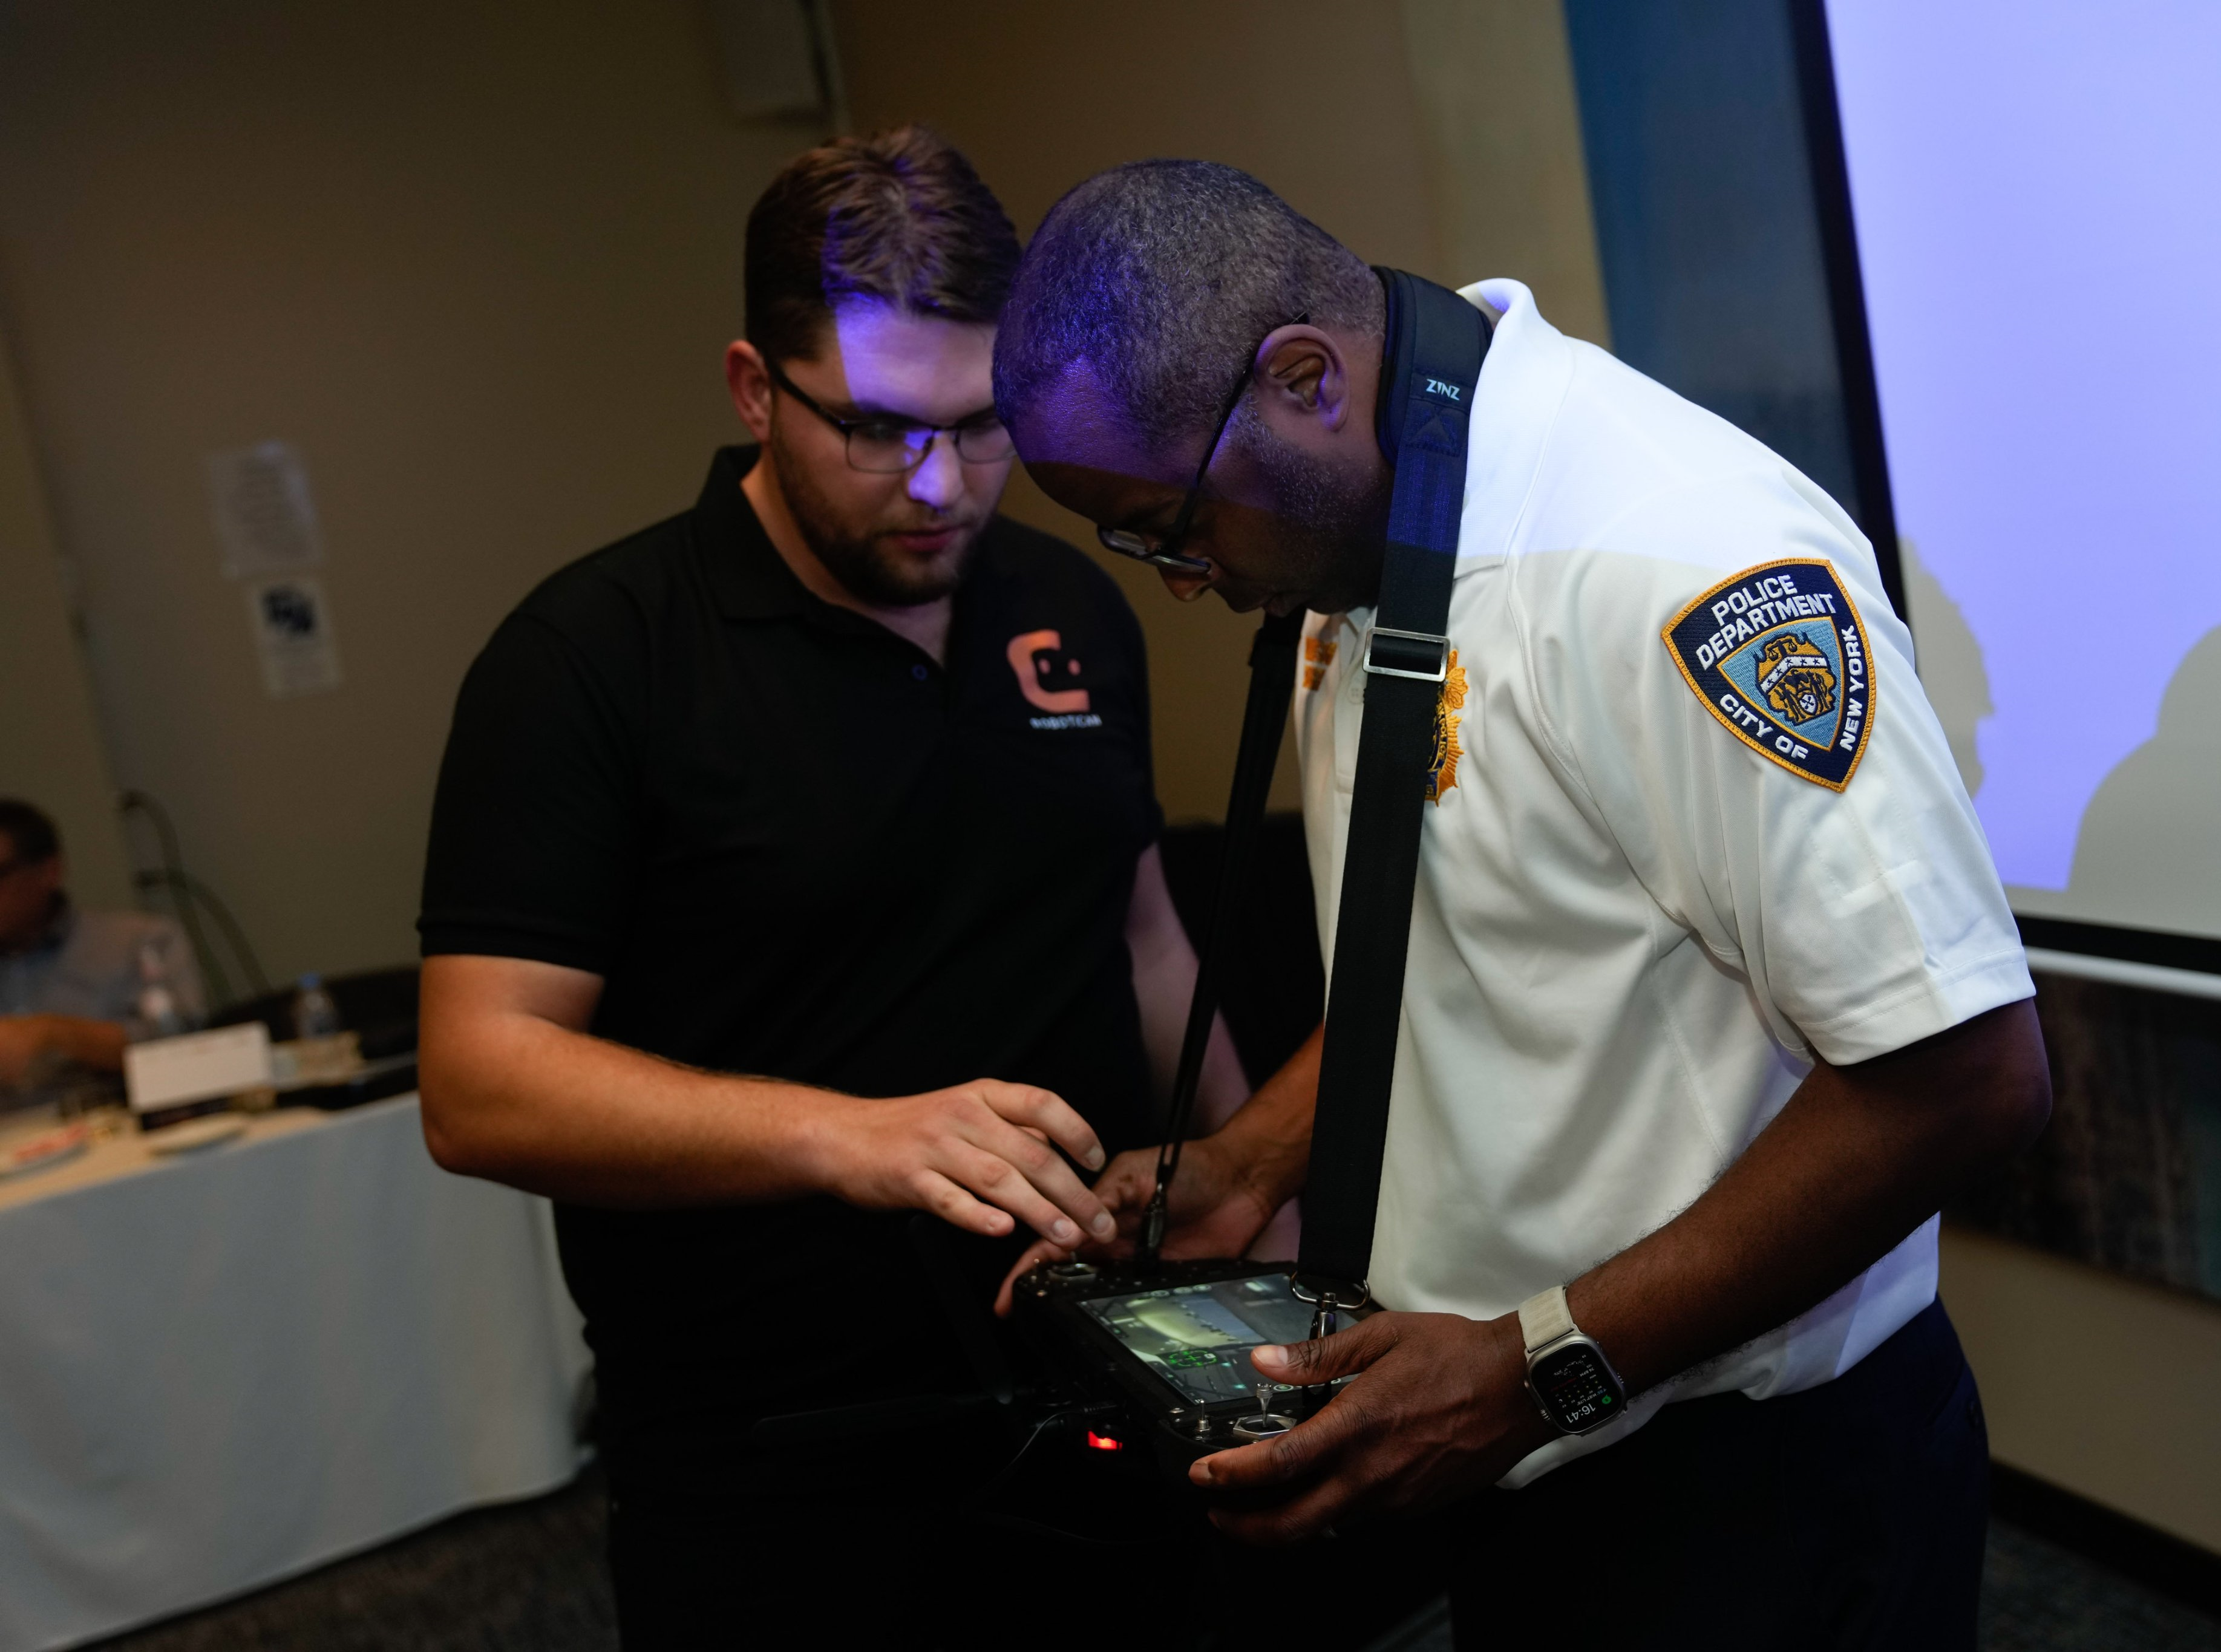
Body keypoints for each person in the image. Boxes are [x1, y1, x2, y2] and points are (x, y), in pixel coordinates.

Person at [991, 162, 2053, 1648]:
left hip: (1741, 1478)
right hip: (1520, 1435)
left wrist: (1541, 1363)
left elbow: (1964, 1076)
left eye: (1172, 529)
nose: (1176, 582)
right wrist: (1248, 1163)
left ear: (1302, 379)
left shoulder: (1676, 563)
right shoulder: (1371, 515)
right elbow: (1465, 927)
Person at [414, 128, 1244, 1647]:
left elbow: (1143, 940)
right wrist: (855, 1139)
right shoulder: (593, 661)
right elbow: (477, 1084)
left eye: (983, 424)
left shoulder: (1066, 603)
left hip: (1098, 1380)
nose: (940, 484)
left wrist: (1247, 1183)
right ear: (753, 389)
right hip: (781, 1459)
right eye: (874, 429)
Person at [0, 797, 203, 1109]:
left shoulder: (140, 942)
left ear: (48, 872)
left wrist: (56, 1034)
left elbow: (187, 1052)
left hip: (127, 1132)